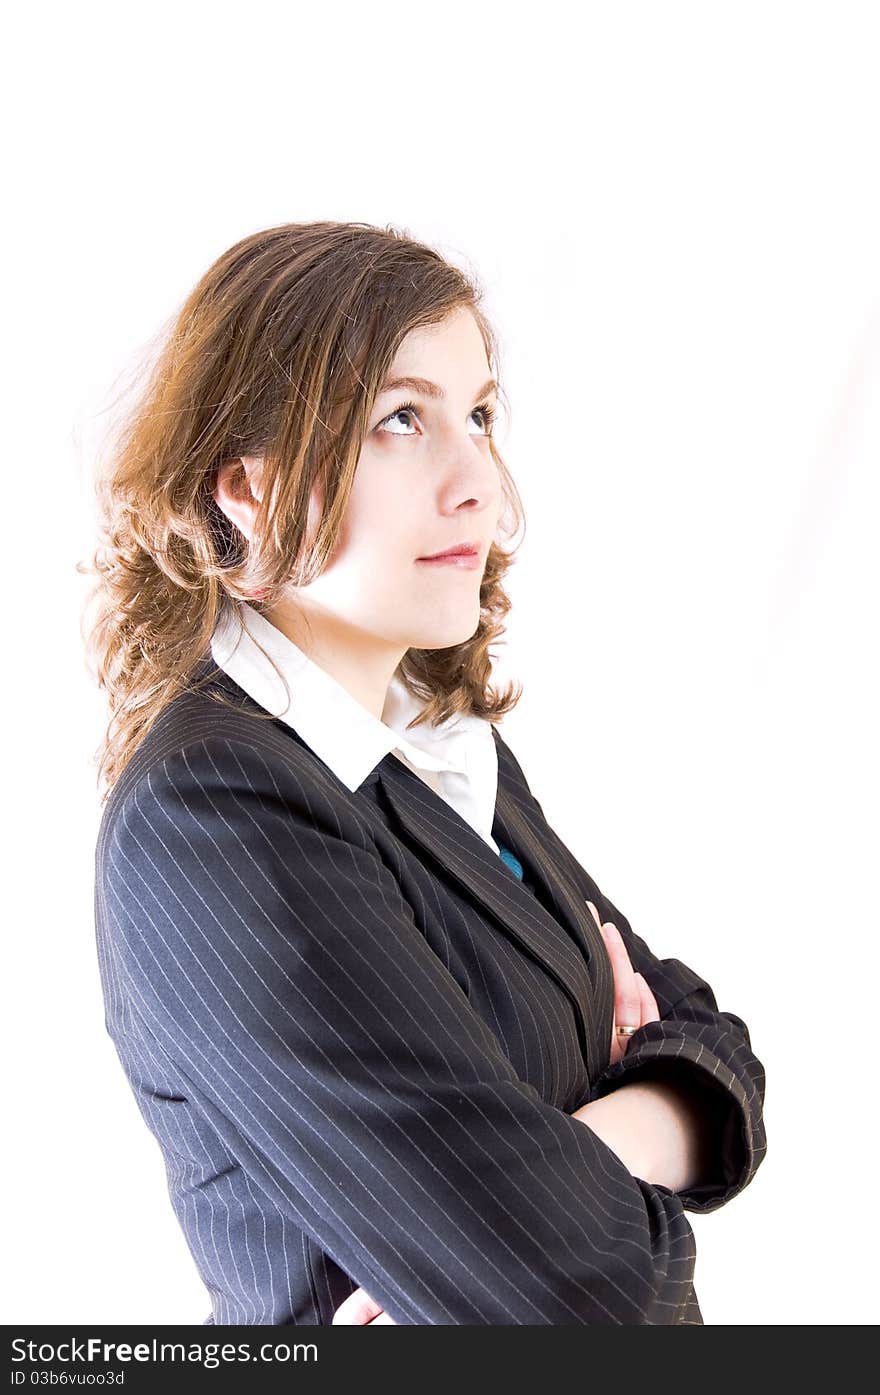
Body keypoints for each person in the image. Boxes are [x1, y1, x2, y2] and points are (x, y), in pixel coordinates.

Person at [84, 220, 767, 1325]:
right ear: (248, 489)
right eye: (402, 419)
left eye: (480, 416)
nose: (480, 489)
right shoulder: (214, 812)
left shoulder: (433, 750)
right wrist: (615, 1107)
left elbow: (714, 1053)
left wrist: (593, 1140)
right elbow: (571, 1289)